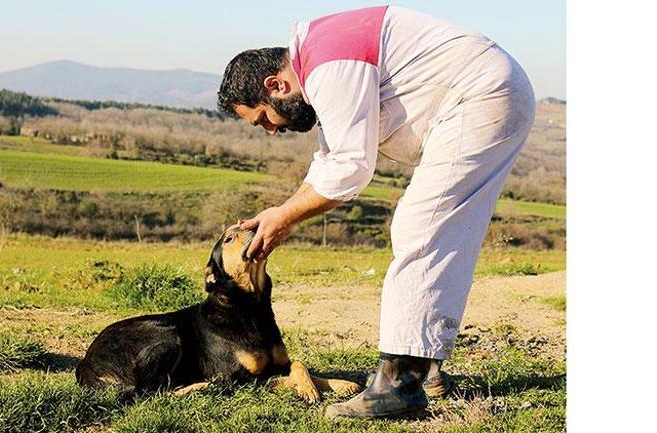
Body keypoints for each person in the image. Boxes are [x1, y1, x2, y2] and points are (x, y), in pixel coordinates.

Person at [217, 5, 535, 420]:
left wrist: (287, 216)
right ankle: (425, 366)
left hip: (480, 95)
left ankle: (399, 382)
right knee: (440, 228)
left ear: (276, 85)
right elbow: (330, 160)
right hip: (485, 92)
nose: (272, 131)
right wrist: (283, 211)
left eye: (263, 119)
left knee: (422, 225)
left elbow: (351, 168)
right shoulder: (319, 58)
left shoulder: (329, 64)